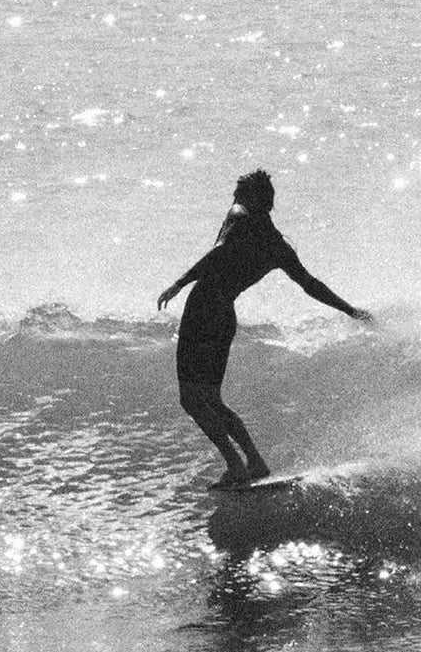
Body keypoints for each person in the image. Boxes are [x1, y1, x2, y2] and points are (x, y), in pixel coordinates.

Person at [155, 169, 371, 485]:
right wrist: (350, 310)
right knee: (212, 399)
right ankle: (254, 462)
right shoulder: (278, 246)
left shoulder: (238, 216)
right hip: (225, 316)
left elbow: (219, 254)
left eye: (239, 194)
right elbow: (310, 284)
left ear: (252, 199)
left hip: (203, 310)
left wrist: (178, 283)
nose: (233, 200)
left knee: (191, 399)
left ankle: (236, 465)